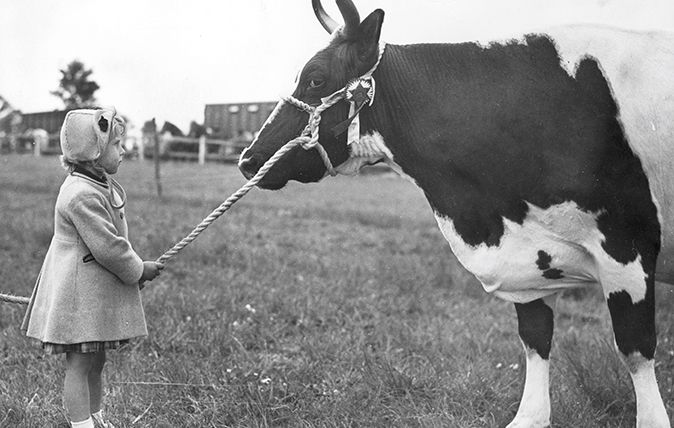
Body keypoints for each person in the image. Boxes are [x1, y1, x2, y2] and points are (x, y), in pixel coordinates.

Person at [21, 107, 164, 428]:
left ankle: (95, 416)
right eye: (116, 145)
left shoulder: (96, 184)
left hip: (93, 293)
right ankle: (81, 424)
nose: (123, 151)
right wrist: (138, 270)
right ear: (93, 153)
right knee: (80, 364)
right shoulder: (80, 194)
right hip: (79, 296)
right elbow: (109, 248)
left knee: (96, 361)